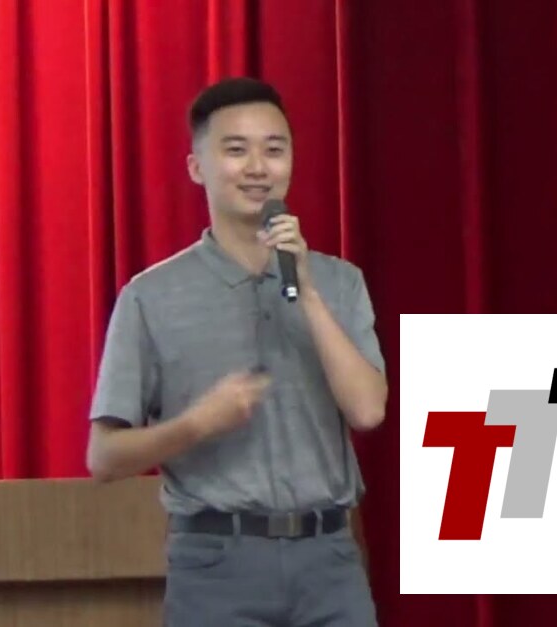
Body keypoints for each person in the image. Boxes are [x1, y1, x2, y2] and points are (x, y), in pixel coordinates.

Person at [85, 77, 388, 626]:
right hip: (216, 565)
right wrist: (195, 424)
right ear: (196, 167)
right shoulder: (150, 297)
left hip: (329, 561)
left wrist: (306, 291)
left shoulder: (339, 282)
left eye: (274, 149)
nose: (257, 167)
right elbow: (103, 457)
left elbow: (368, 410)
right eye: (235, 150)